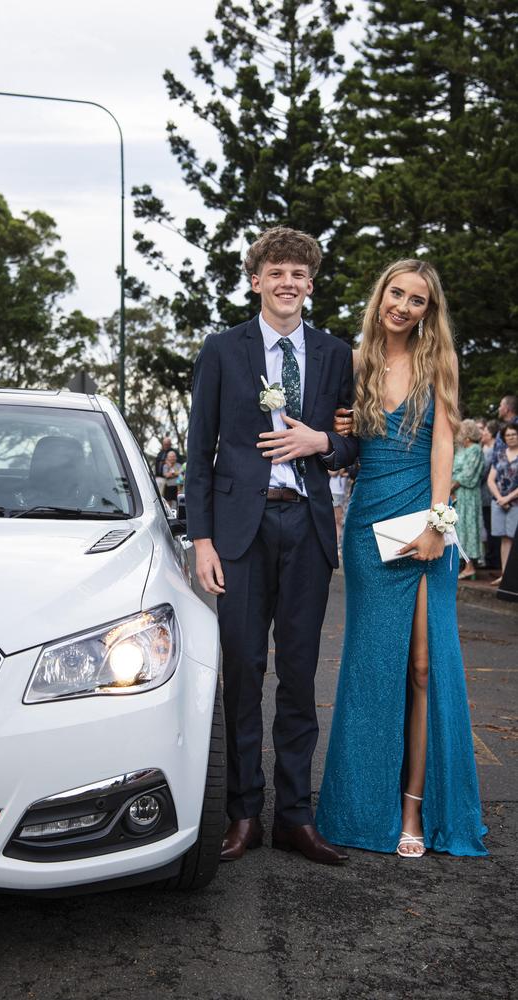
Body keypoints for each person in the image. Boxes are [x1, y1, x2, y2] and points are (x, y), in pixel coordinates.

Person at [186, 227, 358, 865]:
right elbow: (199, 452)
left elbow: (351, 444)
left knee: (299, 673)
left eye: (299, 273)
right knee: (243, 672)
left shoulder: (336, 353)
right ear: (255, 280)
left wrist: (322, 445)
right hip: (238, 534)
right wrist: (202, 538)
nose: (288, 282)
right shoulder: (223, 351)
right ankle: (243, 813)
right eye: (275, 271)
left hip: (308, 528)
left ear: (311, 285)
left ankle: (295, 816)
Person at [317, 259, 487, 858]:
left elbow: (444, 442)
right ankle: (363, 806)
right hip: (368, 526)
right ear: (381, 295)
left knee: (422, 667)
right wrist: (340, 433)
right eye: (397, 294)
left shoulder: (435, 362)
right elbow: (346, 451)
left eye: (418, 301)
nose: (404, 307)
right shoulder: (354, 363)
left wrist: (440, 524)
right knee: (371, 668)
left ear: (427, 311)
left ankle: (415, 805)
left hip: (423, 519)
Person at [451, 419, 485, 580]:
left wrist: (450, 487)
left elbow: (468, 474)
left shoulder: (475, 450)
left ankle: (470, 566)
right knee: (459, 528)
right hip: (458, 494)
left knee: (469, 528)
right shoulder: (461, 449)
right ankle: (461, 563)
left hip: (468, 495)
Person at [488, 423, 518, 585]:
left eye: (514, 434)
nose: (511, 437)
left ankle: (514, 577)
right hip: (498, 502)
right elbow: (490, 479)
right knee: (504, 539)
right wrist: (500, 498)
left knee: (514, 539)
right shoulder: (499, 454)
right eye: (508, 435)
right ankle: (505, 575)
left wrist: (508, 499)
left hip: (515, 503)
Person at [480, 420, 501, 570]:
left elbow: (483, 471)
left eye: (486, 431)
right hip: (486, 494)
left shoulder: (491, 451)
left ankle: (493, 560)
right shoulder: (487, 449)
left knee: (491, 527)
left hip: (488, 494)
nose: (483, 434)